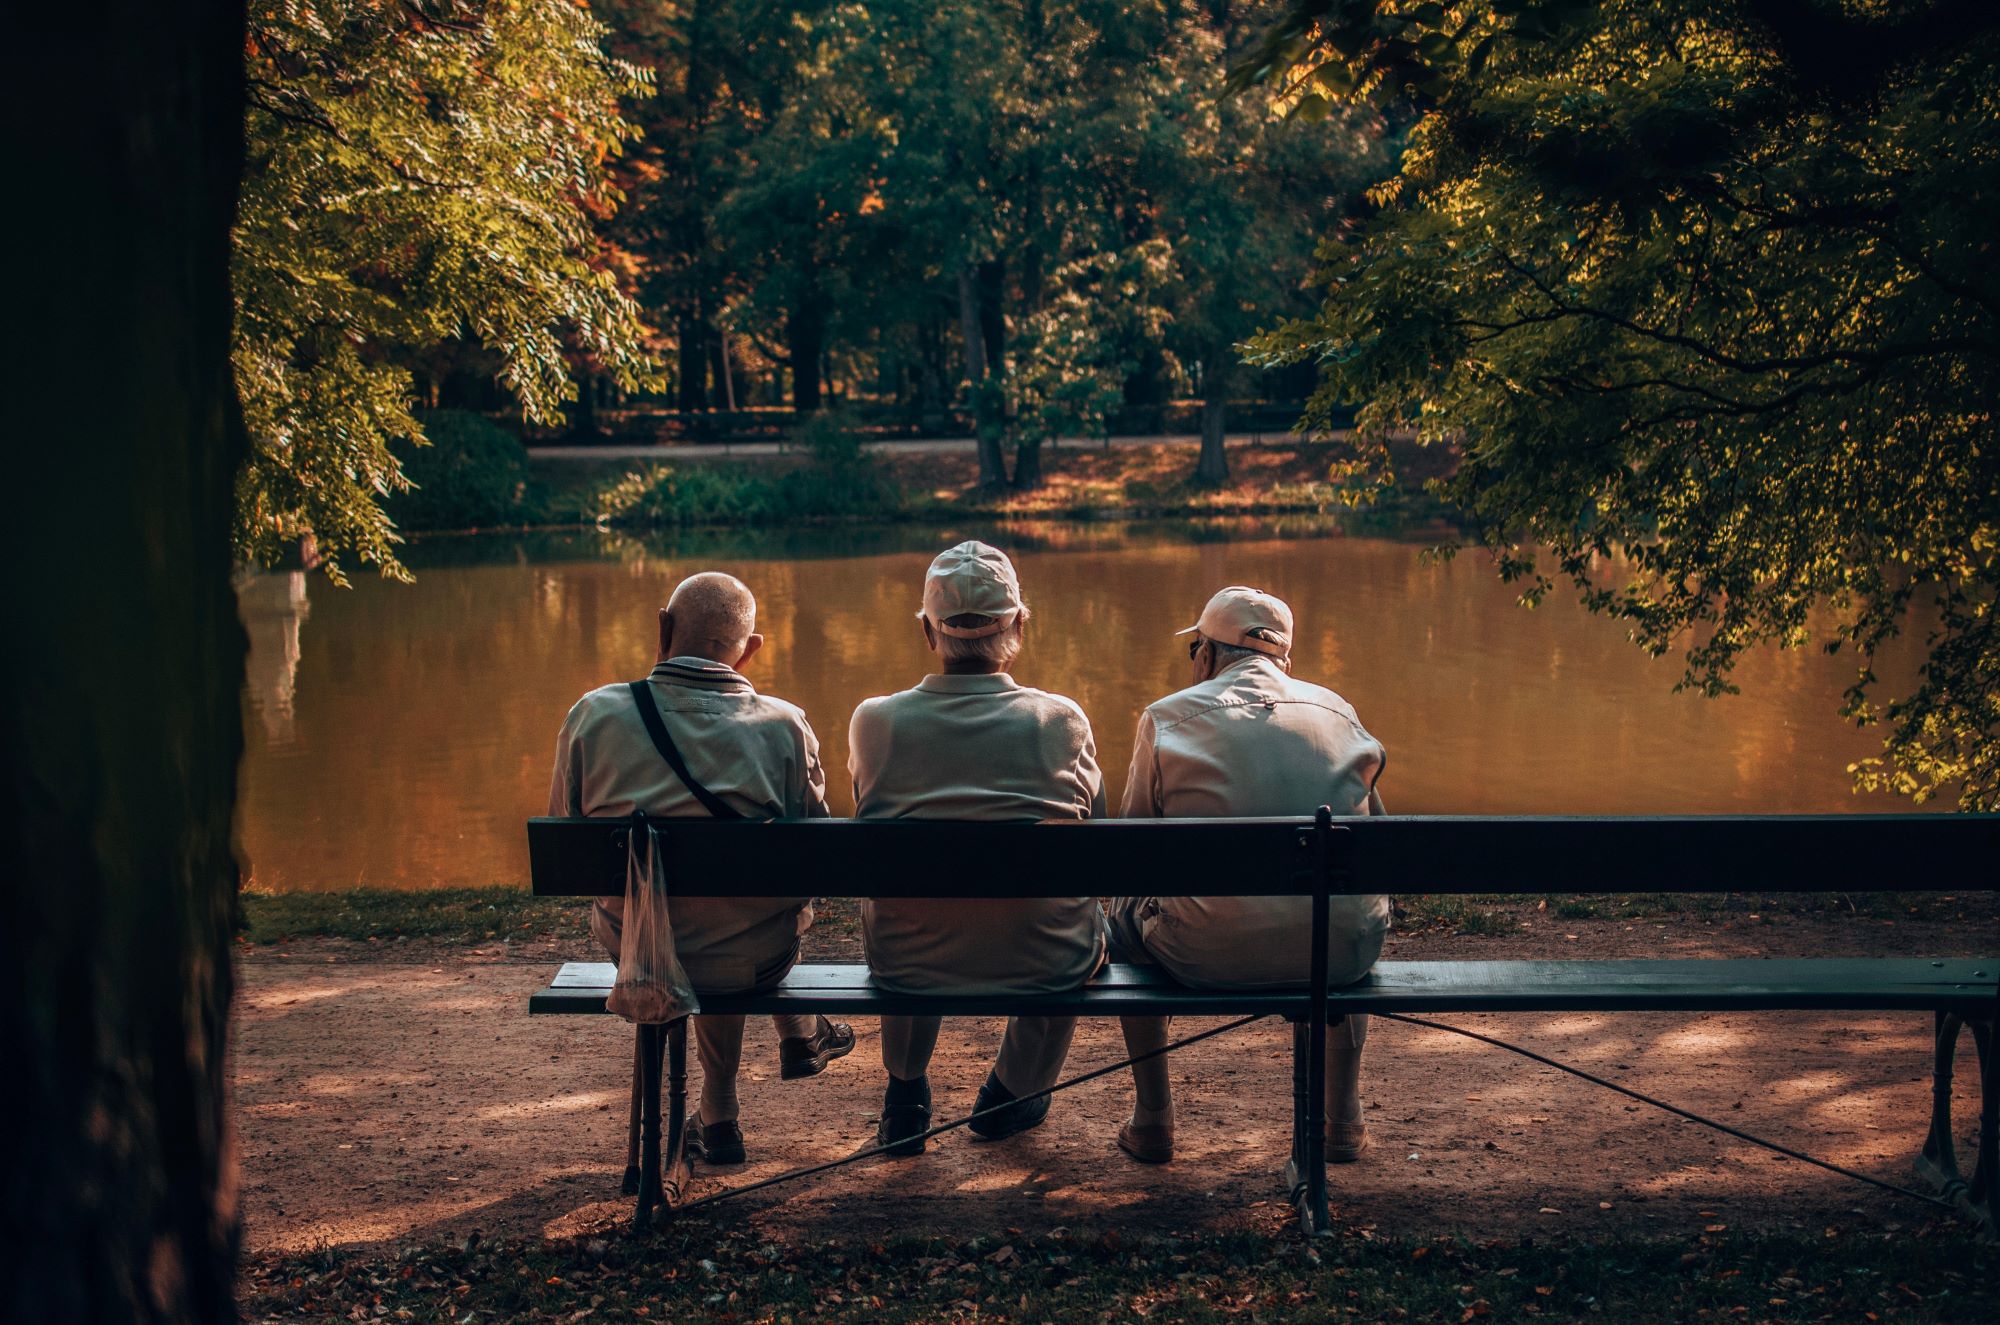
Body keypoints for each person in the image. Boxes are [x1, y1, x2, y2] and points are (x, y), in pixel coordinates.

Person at [548, 571, 853, 1165]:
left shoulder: (594, 715)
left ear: (662, 629)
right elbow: (816, 851)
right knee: (744, 919)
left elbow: (565, 830)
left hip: (635, 949)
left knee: (694, 919)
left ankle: (723, 1112)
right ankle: (743, 1087)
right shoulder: (786, 726)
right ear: (752, 650)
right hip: (756, 960)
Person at [1108, 586, 1390, 1166]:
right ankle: (1343, 1120)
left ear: (1206, 656)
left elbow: (1133, 850)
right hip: (1340, 955)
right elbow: (1375, 845)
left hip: (1205, 954)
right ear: (1284, 661)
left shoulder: (1166, 719)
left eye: (1194, 650)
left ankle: (1154, 1119)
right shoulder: (1341, 713)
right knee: (1344, 903)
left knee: (1123, 912)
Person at [848, 541, 1106, 1155]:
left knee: (913, 896)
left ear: (926, 632)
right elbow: (1088, 824)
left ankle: (905, 1098)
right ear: (1019, 626)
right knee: (1063, 914)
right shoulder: (1061, 719)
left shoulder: (874, 720)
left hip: (909, 959)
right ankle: (1012, 1094)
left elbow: (872, 810)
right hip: (1044, 958)